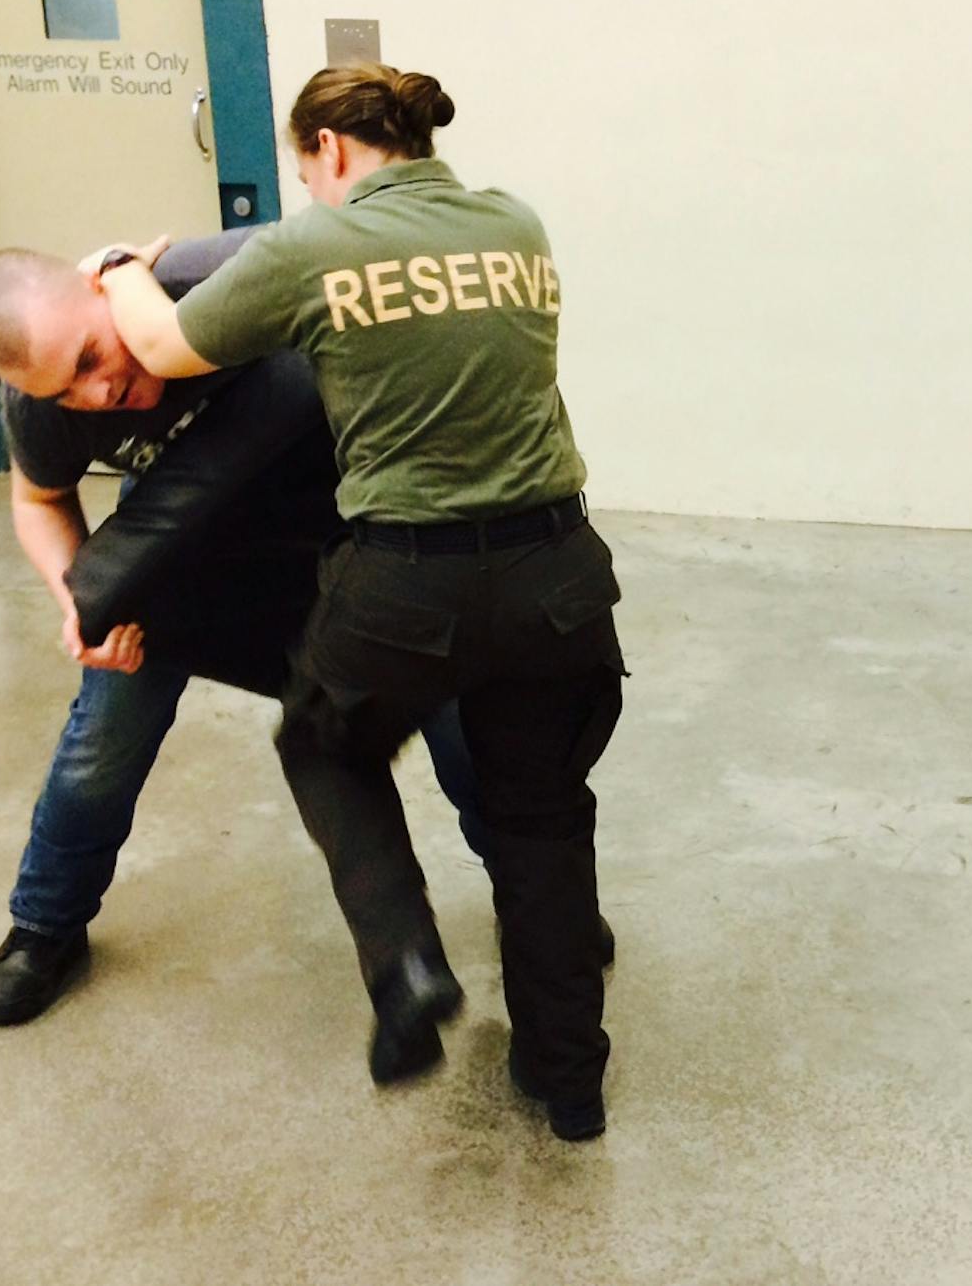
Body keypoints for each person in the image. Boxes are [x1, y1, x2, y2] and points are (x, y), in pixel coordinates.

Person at [91, 64, 625, 1140]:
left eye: (304, 171)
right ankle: (568, 1083)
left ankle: (409, 965)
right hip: (558, 575)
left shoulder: (314, 246)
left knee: (325, 745)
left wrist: (117, 270)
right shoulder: (517, 223)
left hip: (407, 584)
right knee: (543, 823)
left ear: (328, 151)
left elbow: (158, 343)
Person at [0, 231, 519, 1027]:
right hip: (185, 561)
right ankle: (44, 925)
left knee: (459, 716)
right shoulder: (45, 403)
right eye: (66, 392)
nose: (95, 394)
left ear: (104, 289)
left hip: (338, 538)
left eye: (90, 359)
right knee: (101, 745)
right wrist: (80, 603)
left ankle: (531, 891)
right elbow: (37, 501)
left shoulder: (222, 281)